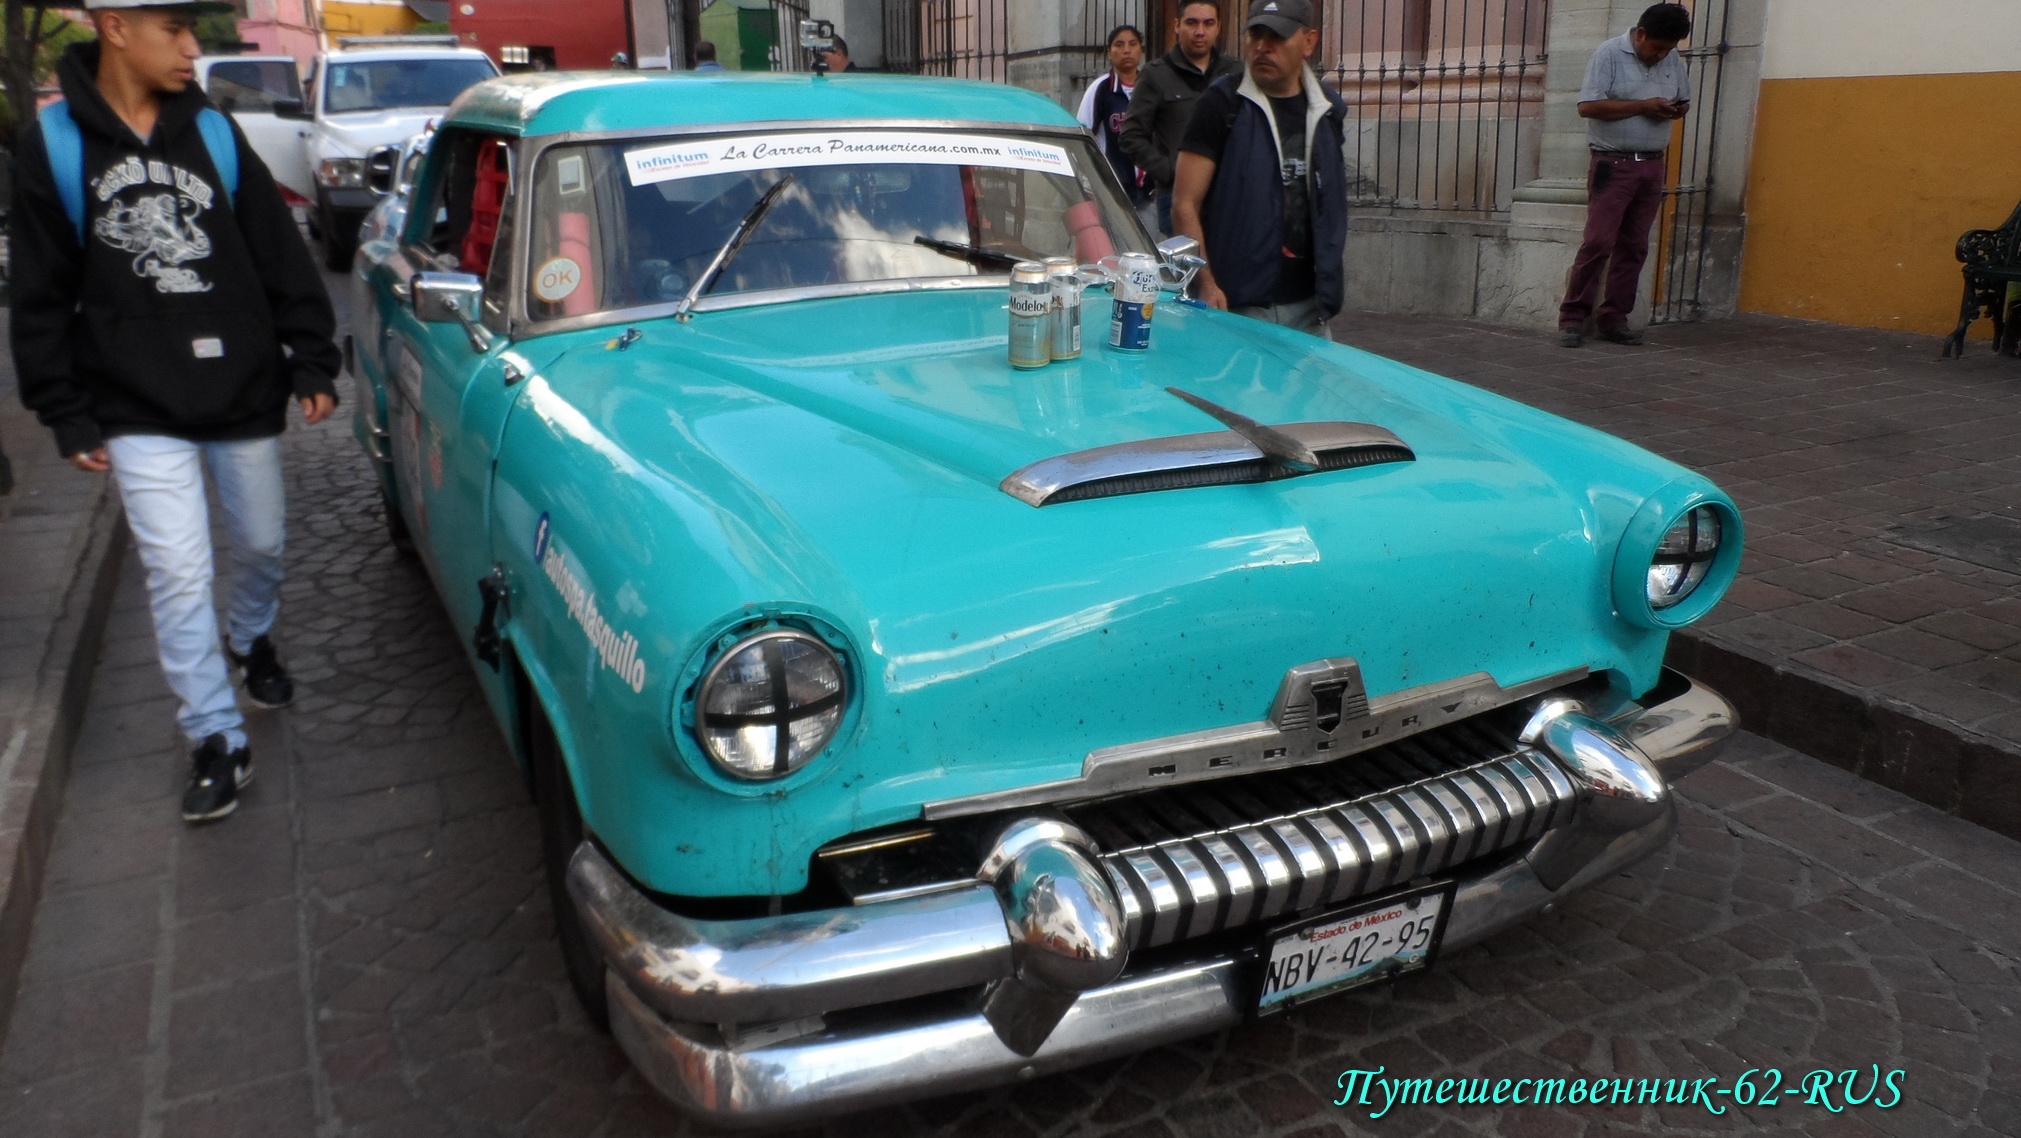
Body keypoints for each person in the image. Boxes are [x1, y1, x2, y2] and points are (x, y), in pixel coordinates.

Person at [11, 0, 340, 823]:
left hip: (240, 385)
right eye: (173, 30)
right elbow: (40, 293)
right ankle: (216, 736)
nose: (194, 48)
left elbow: (277, 251)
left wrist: (310, 357)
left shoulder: (216, 134)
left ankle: (250, 633)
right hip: (132, 397)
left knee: (262, 542)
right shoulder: (52, 146)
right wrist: (65, 410)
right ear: (114, 26)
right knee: (177, 570)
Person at [1171, 0, 1348, 338]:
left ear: (1308, 42)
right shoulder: (1221, 104)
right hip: (1238, 304)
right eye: (1256, 35)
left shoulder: (1327, 110)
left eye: (1277, 37)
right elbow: (1184, 204)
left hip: (1311, 306)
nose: (1263, 47)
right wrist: (1205, 283)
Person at [1556, 2, 1692, 347]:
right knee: (1598, 242)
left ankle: (1614, 319)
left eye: (1669, 49)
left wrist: (1673, 111)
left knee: (1634, 246)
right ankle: (1572, 318)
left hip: (1651, 164)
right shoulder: (1608, 54)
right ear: (1641, 34)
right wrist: (1643, 106)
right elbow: (1587, 107)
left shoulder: (1671, 59)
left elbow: (1684, 101)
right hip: (1612, 165)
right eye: (1658, 47)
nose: (1662, 55)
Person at [1119, 0, 1240, 237]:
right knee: (1189, 271)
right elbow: (1131, 137)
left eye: (1208, 23)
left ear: (1219, 27)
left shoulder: (1234, 73)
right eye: (1191, 23)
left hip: (1229, 196)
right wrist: (1171, 172)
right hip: (1177, 199)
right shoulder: (1155, 75)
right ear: (1177, 25)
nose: (1200, 32)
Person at [1075, 25, 1155, 236]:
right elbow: (1083, 138)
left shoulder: (1153, 88)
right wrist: (1090, 187)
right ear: (1109, 53)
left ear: (1141, 51)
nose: (1126, 50)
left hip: (1150, 194)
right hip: (1112, 193)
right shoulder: (1101, 90)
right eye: (1119, 45)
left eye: (1132, 44)